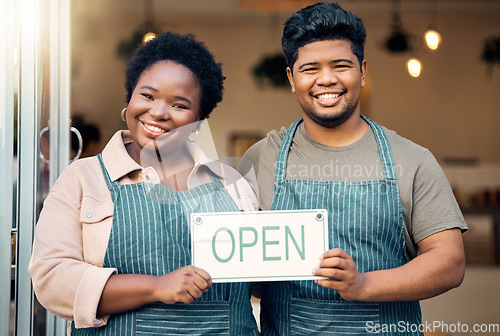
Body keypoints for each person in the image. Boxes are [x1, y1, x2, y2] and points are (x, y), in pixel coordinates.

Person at [238, 3, 467, 335]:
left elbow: (450, 263)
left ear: (362, 70)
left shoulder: (412, 159)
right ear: (291, 78)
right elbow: (245, 268)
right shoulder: (261, 158)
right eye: (310, 68)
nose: (326, 79)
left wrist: (362, 284)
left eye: (340, 65)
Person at [30, 32, 259, 335]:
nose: (159, 112)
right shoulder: (83, 179)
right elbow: (53, 281)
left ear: (199, 117)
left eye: (179, 105)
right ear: (130, 96)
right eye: (148, 96)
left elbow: (260, 279)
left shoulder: (231, 184)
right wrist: (155, 287)